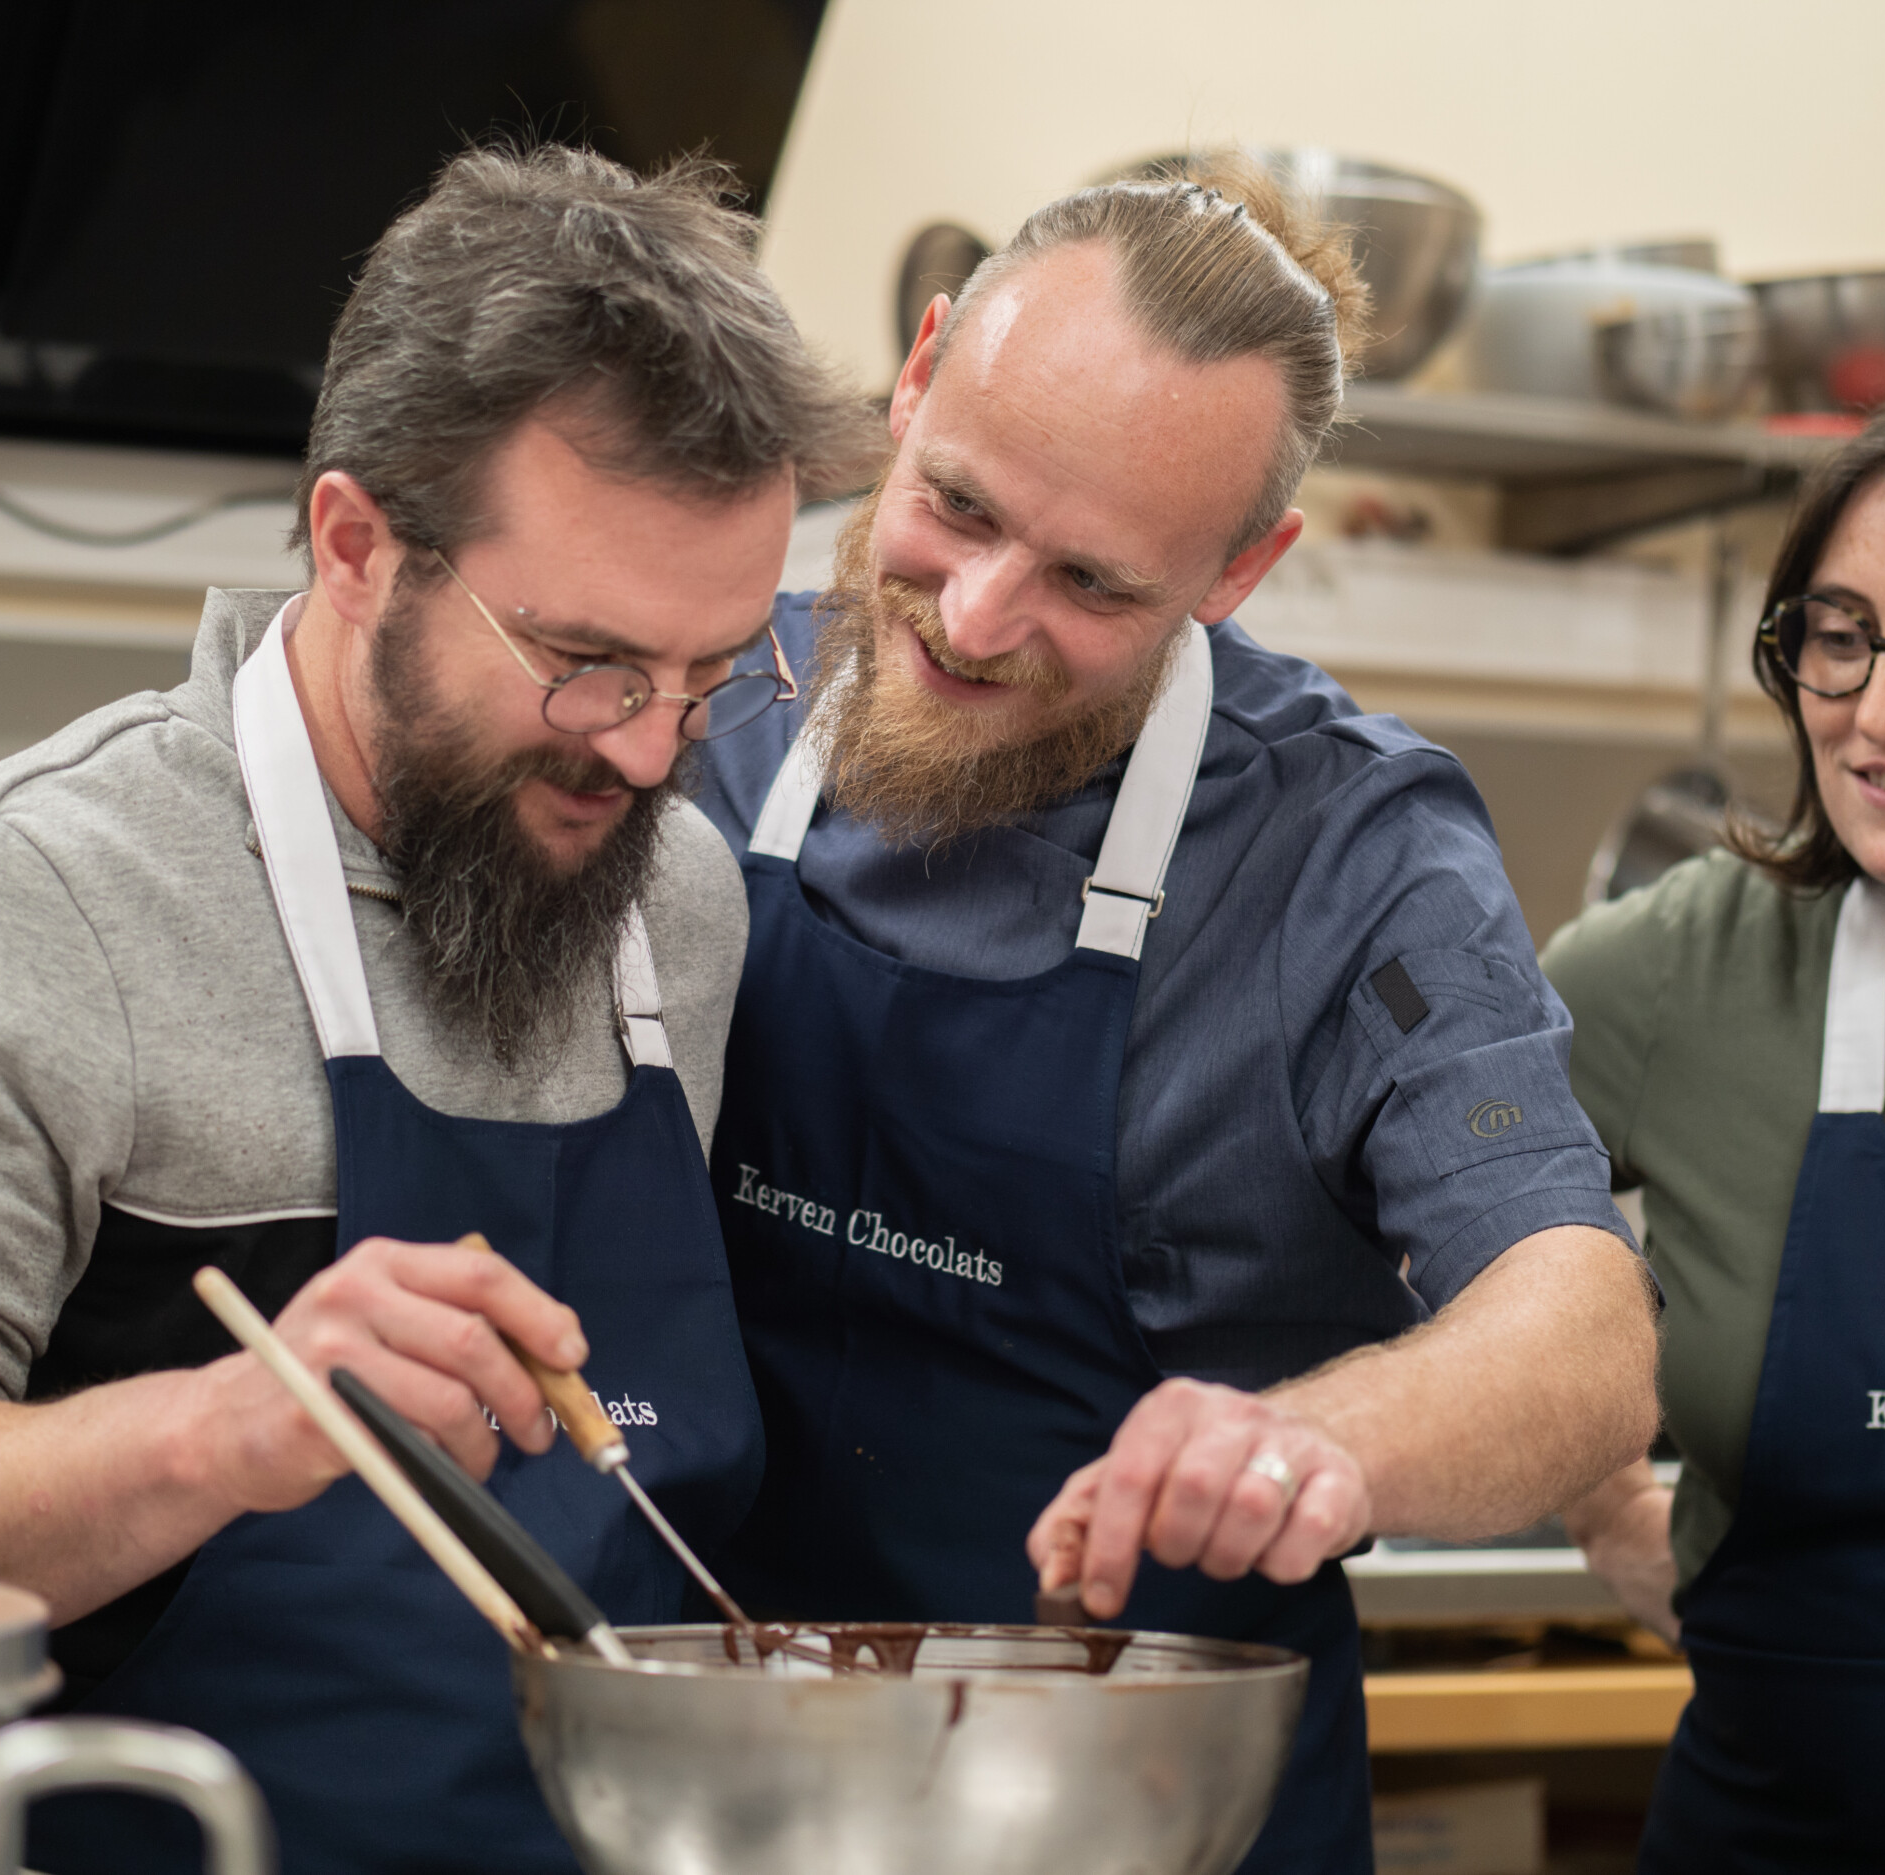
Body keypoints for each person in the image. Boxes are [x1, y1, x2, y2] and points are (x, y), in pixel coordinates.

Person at [0, 146, 860, 1875]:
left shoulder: (667, 896)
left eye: (714, 671)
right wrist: (219, 1432)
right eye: (586, 659)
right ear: (358, 543)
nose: (650, 746)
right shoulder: (23, 903)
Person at [684, 159, 1662, 1873]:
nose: (978, 620)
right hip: (717, 1778)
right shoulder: (700, 704)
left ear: (1242, 567)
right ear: (914, 378)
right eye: (959, 508)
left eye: (1095, 585)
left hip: (1143, 1817)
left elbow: (1580, 1338)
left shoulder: (1349, 855)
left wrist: (1310, 1439)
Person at [1547, 378, 1885, 1872]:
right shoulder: (1682, 972)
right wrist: (1603, 1510)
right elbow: (1437, 1238)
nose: (1879, 711)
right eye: (1840, 636)